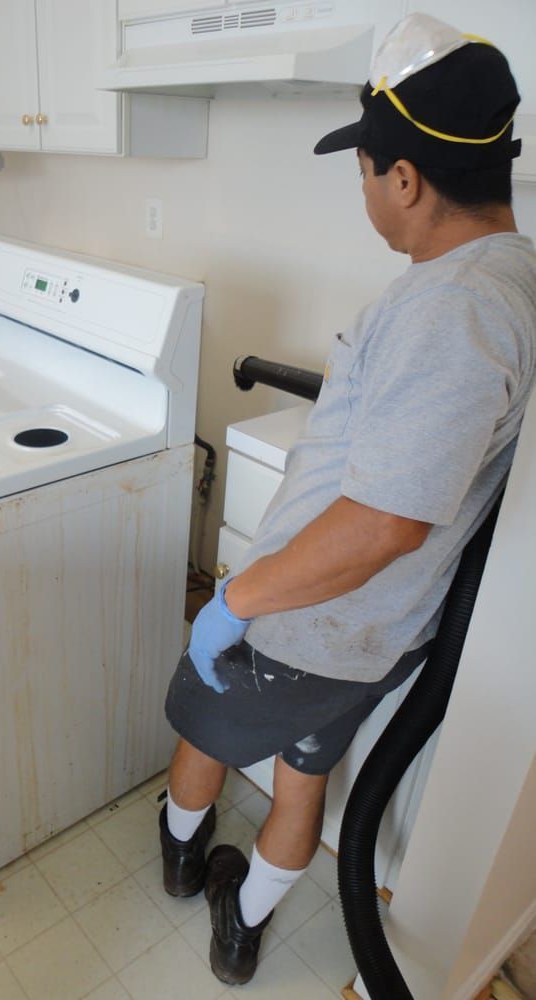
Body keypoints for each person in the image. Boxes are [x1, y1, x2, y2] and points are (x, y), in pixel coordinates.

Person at [159, 12, 536, 987]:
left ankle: (182, 866)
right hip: (368, 638)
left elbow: (382, 520)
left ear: (404, 178)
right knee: (305, 776)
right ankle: (240, 923)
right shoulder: (503, 279)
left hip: (300, 631)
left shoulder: (453, 308)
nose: (365, 188)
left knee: (202, 732)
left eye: (365, 169)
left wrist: (233, 603)